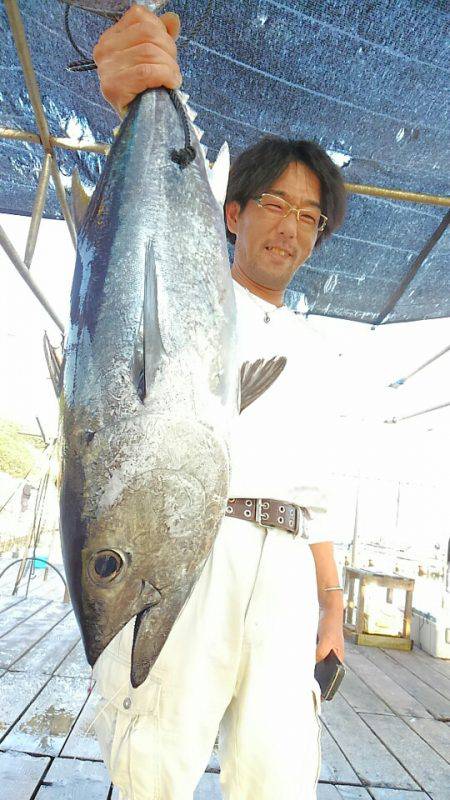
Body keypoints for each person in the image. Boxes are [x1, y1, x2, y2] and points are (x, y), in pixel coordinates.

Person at [91, 6, 347, 799]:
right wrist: (132, 97)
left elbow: (320, 498)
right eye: (275, 204)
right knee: (153, 767)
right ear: (228, 214)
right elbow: (127, 265)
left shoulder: (320, 347)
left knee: (279, 779)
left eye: (311, 216)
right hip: (193, 542)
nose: (292, 228)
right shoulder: (191, 296)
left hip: (287, 574)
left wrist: (333, 607)